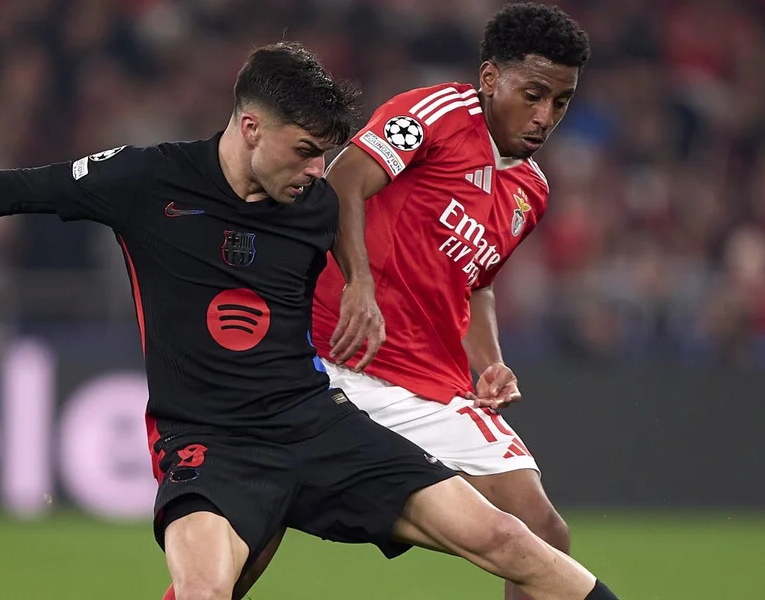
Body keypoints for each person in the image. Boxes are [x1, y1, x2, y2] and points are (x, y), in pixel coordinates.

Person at [0, 42, 618, 600]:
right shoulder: (145, 181)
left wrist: (452, 334)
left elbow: (435, 259)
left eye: (328, 154)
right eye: (304, 151)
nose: (318, 171)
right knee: (206, 596)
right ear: (250, 128)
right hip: (210, 441)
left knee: (514, 540)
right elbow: (11, 188)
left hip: (314, 424)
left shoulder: (315, 206)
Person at [231, 4, 595, 600]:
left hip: (430, 385)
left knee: (543, 531)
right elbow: (346, 176)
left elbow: (476, 284)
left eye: (560, 102)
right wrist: (360, 284)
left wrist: (491, 361)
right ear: (488, 78)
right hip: (330, 355)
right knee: (250, 537)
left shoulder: (532, 191)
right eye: (532, 94)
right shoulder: (440, 114)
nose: (543, 116)